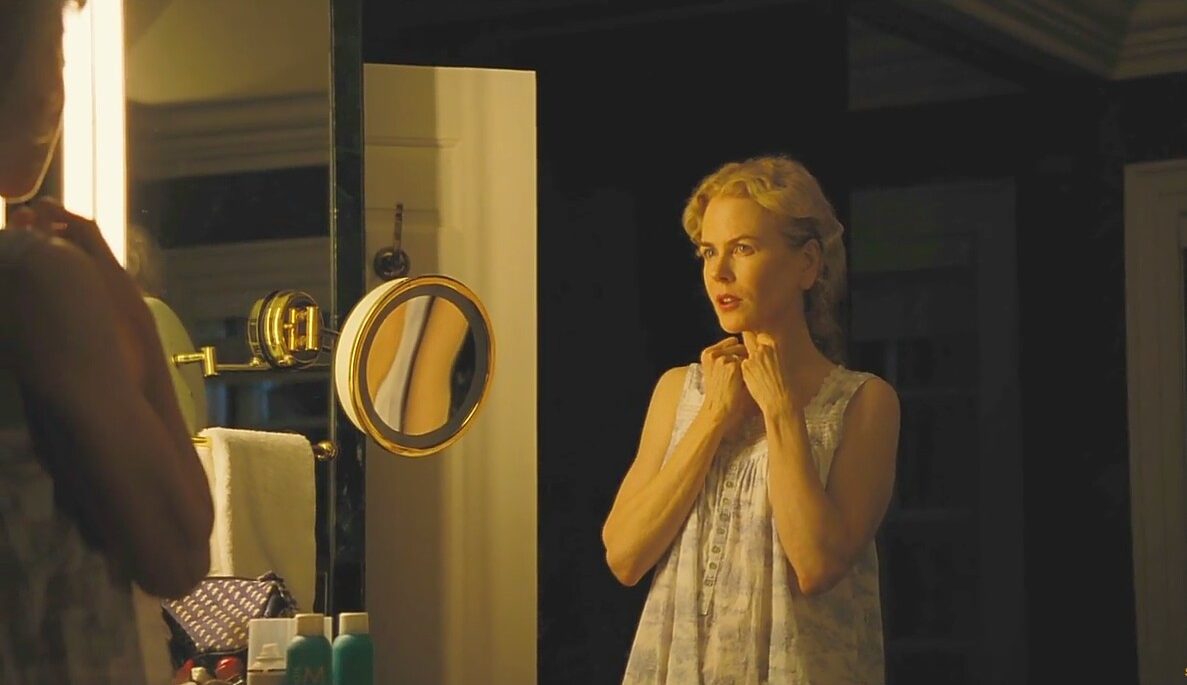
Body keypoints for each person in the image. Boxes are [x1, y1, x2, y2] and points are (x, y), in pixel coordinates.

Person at [602, 156, 901, 684]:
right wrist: (713, 416)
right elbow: (624, 556)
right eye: (708, 251)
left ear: (807, 264)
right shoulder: (680, 391)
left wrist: (781, 410)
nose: (719, 272)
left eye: (743, 248)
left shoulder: (863, 403)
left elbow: (817, 564)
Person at [0, 0, 215, 682]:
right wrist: (128, 308)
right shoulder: (30, 282)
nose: (57, 88)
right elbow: (179, 550)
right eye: (56, 52)